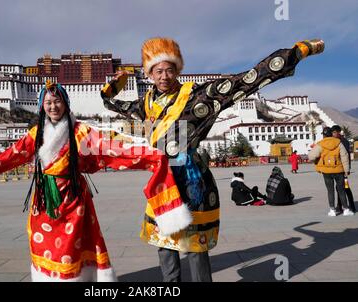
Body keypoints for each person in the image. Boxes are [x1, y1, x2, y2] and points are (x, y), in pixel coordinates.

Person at [101, 37, 324, 281]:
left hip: (192, 180)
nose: (164, 76)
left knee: (195, 246)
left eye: (169, 70)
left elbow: (246, 80)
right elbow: (112, 104)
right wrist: (114, 86)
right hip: (163, 181)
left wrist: (296, 53)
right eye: (158, 71)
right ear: (150, 75)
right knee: (164, 244)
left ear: (177, 71)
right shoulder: (146, 104)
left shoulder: (199, 96)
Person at [0, 81, 192, 282]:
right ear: (41, 106)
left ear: (65, 104)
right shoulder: (35, 135)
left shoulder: (81, 131)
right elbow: (6, 159)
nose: (53, 106)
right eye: (48, 102)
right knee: (44, 247)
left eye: (57, 101)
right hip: (44, 203)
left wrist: (149, 153)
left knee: (72, 251)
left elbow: (111, 147)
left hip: (73, 202)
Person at [308, 127, 353, 216]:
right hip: (338, 170)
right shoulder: (338, 142)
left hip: (326, 171)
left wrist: (318, 161)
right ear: (331, 133)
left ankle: (332, 210)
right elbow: (344, 156)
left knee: (330, 190)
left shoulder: (321, 144)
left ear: (324, 135)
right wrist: (346, 170)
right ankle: (346, 209)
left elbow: (311, 156)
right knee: (341, 190)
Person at [331, 125, 355, 213]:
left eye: (334, 132)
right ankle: (340, 205)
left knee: (345, 187)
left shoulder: (343, 141)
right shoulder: (336, 140)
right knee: (339, 187)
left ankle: (351, 205)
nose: (333, 134)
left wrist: (347, 169)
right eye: (332, 132)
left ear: (338, 132)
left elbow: (346, 156)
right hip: (337, 169)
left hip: (343, 169)